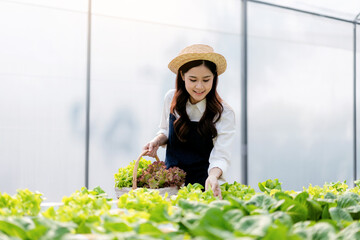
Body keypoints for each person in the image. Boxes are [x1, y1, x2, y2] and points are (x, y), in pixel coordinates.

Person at [143, 44, 236, 198]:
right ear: (182, 75)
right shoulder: (170, 99)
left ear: (214, 78)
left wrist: (213, 177)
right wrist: (156, 141)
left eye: (206, 80)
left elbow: (221, 155)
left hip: (203, 188)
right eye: (193, 79)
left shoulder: (224, 113)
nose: (199, 86)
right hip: (170, 189)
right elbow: (166, 130)